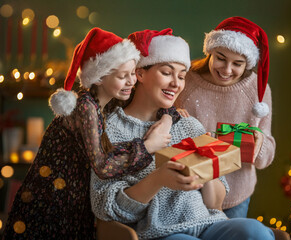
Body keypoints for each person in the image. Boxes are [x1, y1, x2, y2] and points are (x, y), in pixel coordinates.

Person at [91, 28, 275, 240]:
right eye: (167, 73)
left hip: (210, 226)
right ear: (140, 73)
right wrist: (159, 178)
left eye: (181, 76)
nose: (176, 84)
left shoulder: (189, 125)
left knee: (255, 231)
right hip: (160, 232)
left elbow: (215, 204)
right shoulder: (111, 130)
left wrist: (207, 165)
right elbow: (106, 208)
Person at [3, 27, 175, 239]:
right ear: (100, 77)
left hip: (75, 199)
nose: (131, 81)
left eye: (132, 73)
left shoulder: (108, 101)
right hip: (53, 202)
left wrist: (168, 115)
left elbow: (151, 100)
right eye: (123, 76)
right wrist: (148, 146)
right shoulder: (86, 107)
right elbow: (103, 165)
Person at [175, 16, 276, 219]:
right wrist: (170, 117)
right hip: (189, 192)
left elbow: (266, 155)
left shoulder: (258, 90)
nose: (227, 70)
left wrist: (260, 144)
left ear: (247, 64)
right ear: (210, 51)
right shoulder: (186, 80)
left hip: (236, 196)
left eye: (237, 63)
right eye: (221, 58)